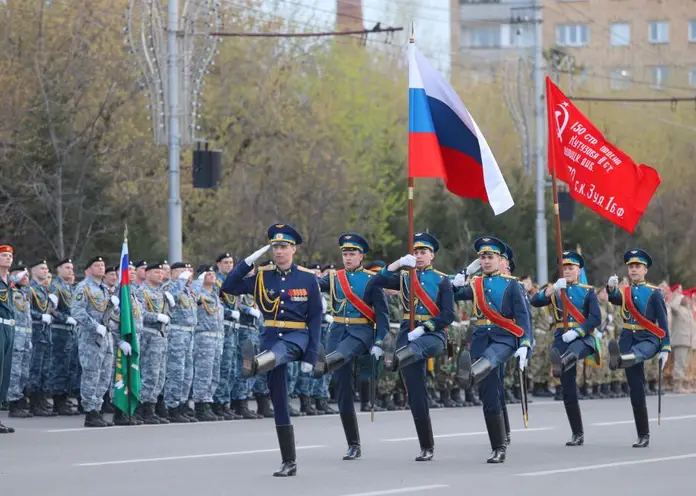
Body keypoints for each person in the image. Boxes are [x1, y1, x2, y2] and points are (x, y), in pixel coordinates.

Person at [221, 223, 322, 477]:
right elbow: (229, 287)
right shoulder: (262, 276)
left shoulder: (308, 278)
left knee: (281, 352)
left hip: (296, 337)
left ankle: (253, 365)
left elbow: (316, 318)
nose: (279, 252)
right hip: (269, 339)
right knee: (279, 402)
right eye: (275, 247)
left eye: (284, 247)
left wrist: (311, 356)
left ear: (293, 250)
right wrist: (248, 261)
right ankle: (289, 461)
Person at [371, 232, 455, 461]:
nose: (418, 256)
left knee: (415, 350)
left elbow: (449, 314)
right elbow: (376, 281)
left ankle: (395, 359)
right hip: (407, 335)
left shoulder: (442, 280)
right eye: (416, 252)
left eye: (423, 252)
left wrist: (426, 327)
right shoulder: (404, 277)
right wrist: (398, 264)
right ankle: (426, 446)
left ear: (432, 256)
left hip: (433, 335)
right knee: (417, 395)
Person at [452, 236, 531, 464]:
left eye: (490, 257)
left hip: (504, 339)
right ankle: (497, 443)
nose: (486, 261)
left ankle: (469, 375)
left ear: (499, 259)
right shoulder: (475, 284)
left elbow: (524, 317)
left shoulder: (512, 285)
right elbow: (453, 293)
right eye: (483, 257)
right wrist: (461, 277)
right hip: (480, 339)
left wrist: (525, 344)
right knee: (489, 396)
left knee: (490, 360)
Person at [314, 233, 389, 460]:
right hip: (337, 333)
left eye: (352, 254)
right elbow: (314, 284)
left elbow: (383, 315)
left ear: (361, 256)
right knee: (343, 392)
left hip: (361, 333)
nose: (347, 258)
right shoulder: (335, 278)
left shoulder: (371, 279)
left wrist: (379, 341)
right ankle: (353, 444)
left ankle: (321, 364)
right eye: (345, 254)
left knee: (344, 353)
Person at [530, 250, 601, 446]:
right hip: (561, 337)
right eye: (564, 268)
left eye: (571, 268)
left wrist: (578, 332)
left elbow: (596, 318)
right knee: (568, 390)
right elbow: (534, 301)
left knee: (575, 350)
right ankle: (577, 433)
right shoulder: (555, 289)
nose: (567, 271)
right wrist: (552, 289)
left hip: (583, 338)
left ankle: (561, 361)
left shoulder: (588, 291)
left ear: (579, 271)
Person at [606, 249, 670, 448]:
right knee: (636, 389)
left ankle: (621, 360)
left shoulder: (654, 293)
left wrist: (666, 348)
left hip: (648, 338)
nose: (633, 270)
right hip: (627, 339)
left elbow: (663, 322)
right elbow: (614, 298)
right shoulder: (625, 292)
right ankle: (643, 434)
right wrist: (610, 288)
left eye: (637, 267)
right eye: (631, 267)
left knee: (638, 354)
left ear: (645, 270)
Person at [0, 244, 15, 434]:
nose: (8, 259)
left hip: (9, 326)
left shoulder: (9, 280)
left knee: (4, 373)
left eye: (10, 256)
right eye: (3, 255)